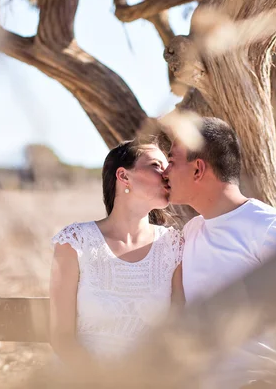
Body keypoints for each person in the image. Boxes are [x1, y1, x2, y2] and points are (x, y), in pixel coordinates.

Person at [162, 116, 276, 388]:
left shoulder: (270, 228)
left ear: (198, 169)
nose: (165, 171)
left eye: (172, 160)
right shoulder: (192, 231)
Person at [48, 138, 184, 373]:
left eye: (168, 166)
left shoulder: (173, 245)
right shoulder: (74, 242)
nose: (166, 174)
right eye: (156, 165)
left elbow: (177, 334)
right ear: (123, 176)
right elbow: (62, 339)